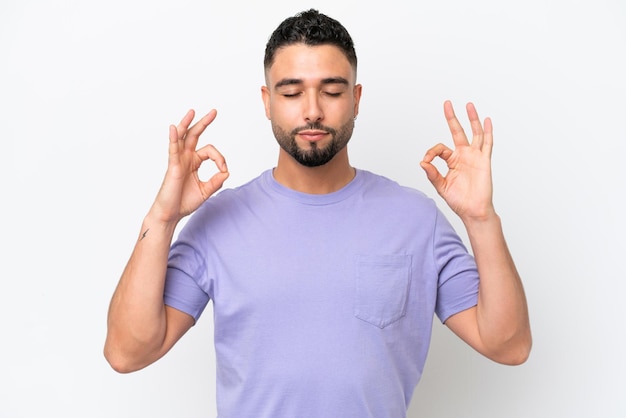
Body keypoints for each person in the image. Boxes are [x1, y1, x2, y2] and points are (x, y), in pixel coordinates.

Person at [104, 9, 531, 417]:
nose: (312, 110)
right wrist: (161, 220)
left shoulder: (417, 220)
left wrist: (481, 220)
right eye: (291, 92)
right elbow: (127, 352)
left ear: (356, 98)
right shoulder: (219, 222)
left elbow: (509, 346)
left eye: (331, 91)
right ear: (267, 101)